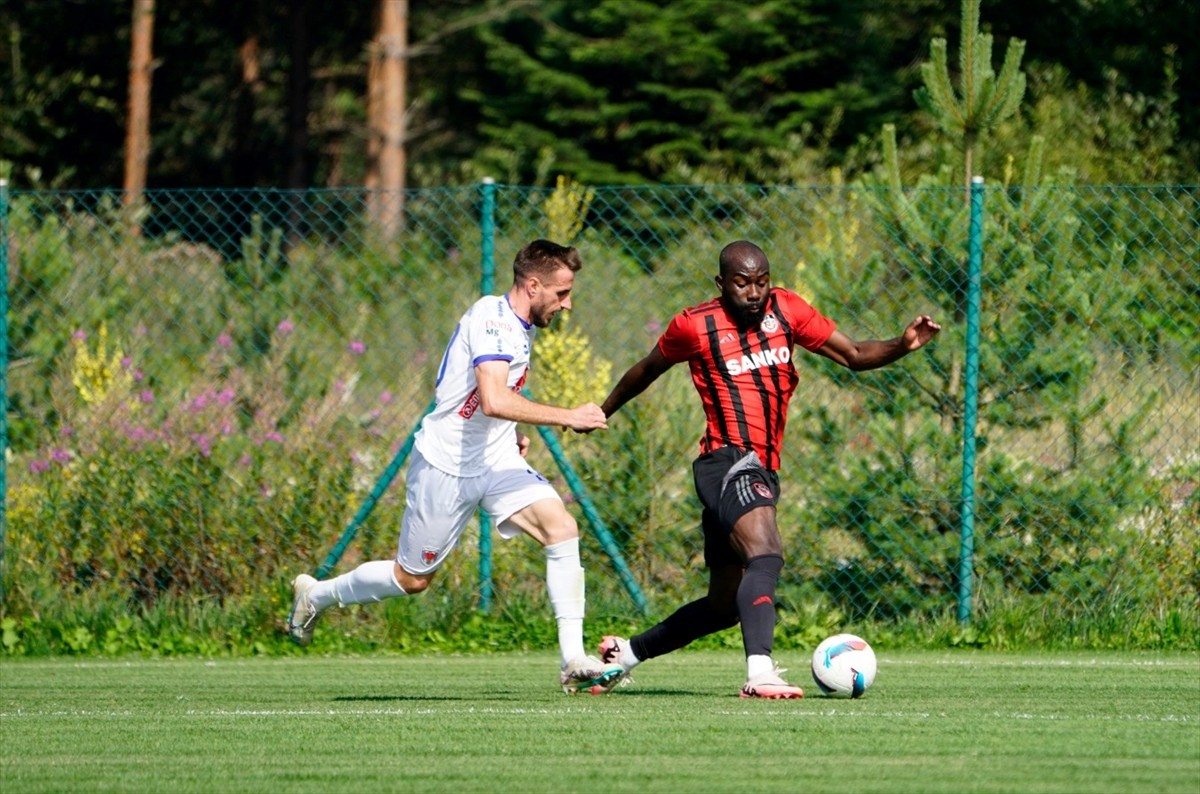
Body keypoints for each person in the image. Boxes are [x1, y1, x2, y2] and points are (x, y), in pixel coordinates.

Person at [595, 240, 941, 698]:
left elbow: (855, 354)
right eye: (742, 284)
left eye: (761, 282)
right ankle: (760, 674)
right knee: (767, 552)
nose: (754, 292)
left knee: (723, 606)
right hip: (726, 461)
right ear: (722, 284)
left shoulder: (789, 310)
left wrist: (903, 344)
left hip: (762, 468)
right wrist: (604, 410)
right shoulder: (695, 325)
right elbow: (648, 368)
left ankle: (627, 652)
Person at [288, 239, 624, 695]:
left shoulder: (519, 325)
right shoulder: (492, 318)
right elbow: (493, 398)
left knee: (560, 527)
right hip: (446, 463)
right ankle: (316, 595)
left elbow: (488, 404)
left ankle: (571, 660)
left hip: (495, 457)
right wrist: (570, 415)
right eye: (562, 293)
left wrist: (510, 432)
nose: (568, 304)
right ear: (533, 285)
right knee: (412, 579)